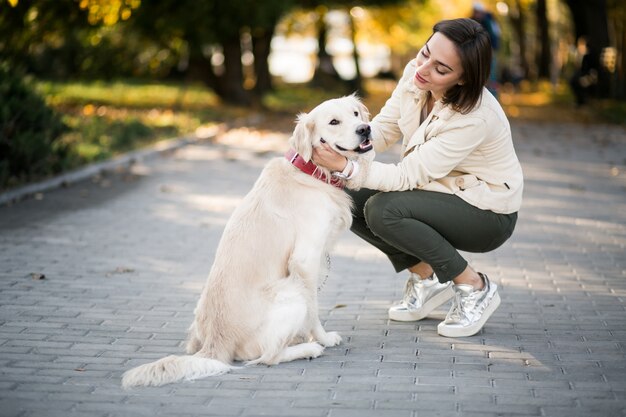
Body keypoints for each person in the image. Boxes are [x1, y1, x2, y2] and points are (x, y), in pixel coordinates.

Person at [312, 18, 523, 338]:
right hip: (439, 193)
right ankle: (426, 278)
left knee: (383, 210)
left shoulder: (475, 116)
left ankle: (473, 286)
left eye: (440, 69)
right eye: (424, 53)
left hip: (487, 213)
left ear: (464, 79)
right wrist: (339, 143)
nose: (423, 69)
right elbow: (382, 130)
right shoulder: (416, 74)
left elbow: (406, 175)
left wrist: (346, 166)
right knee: (345, 193)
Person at [471, 3, 501, 98]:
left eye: (477, 12)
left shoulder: (488, 22)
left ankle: (493, 97)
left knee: (490, 75)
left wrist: (491, 51)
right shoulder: (472, 20)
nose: (476, 14)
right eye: (475, 12)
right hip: (476, 53)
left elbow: (493, 38)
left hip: (489, 52)